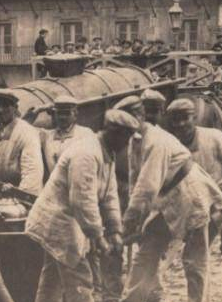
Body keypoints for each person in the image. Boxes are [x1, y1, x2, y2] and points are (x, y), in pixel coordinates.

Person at [122, 98, 222, 302]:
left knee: (194, 260)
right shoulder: (134, 141)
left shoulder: (156, 140)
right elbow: (134, 179)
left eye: (131, 118)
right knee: (147, 250)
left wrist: (129, 222)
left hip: (190, 195)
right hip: (166, 200)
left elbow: (147, 187)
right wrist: (134, 221)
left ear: (141, 116)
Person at [26, 110, 133, 302]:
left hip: (67, 222)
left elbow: (109, 194)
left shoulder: (107, 152)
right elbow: (82, 201)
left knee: (52, 280)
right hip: (59, 222)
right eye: (127, 137)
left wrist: (115, 229)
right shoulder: (87, 153)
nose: (128, 143)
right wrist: (98, 237)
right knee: (80, 280)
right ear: (114, 133)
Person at [165, 98, 222, 302]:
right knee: (194, 260)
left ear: (194, 118)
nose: (180, 124)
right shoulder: (171, 146)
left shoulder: (214, 137)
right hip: (200, 212)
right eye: (175, 120)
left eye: (185, 119)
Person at [0, 89, 44, 196]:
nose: (0, 110)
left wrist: (20, 199)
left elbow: (32, 173)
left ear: (15, 108)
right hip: (1, 196)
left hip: (22, 196)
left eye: (5, 106)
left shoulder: (26, 132)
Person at [41, 95, 95, 173]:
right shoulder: (46, 136)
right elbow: (21, 129)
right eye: (59, 113)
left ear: (75, 114)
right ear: (54, 115)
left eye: (67, 113)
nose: (62, 117)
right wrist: (39, 109)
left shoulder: (85, 133)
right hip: (54, 184)